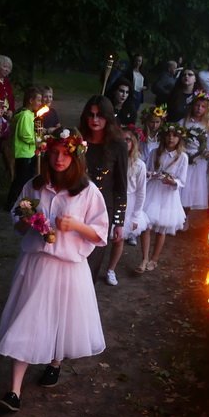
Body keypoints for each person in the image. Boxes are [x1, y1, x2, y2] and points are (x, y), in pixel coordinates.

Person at [0, 128, 108, 412]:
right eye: (54, 152)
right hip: (37, 264)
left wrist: (77, 226)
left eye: (65, 154)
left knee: (61, 319)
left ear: (75, 156)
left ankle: (55, 362)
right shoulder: (34, 185)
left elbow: (100, 233)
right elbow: (17, 222)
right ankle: (14, 390)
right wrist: (28, 221)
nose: (58, 158)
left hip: (69, 268)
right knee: (27, 319)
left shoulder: (87, 191)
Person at [79, 96, 128, 284]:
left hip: (101, 211)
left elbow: (121, 186)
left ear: (108, 117)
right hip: (75, 207)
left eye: (100, 115)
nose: (95, 120)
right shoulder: (78, 141)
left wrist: (119, 221)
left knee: (91, 262)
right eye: (91, 115)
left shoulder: (118, 145)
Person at [137, 122, 188, 272]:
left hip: (168, 195)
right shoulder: (155, 152)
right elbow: (148, 170)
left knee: (162, 228)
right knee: (146, 224)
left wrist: (173, 182)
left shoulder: (182, 157)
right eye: (168, 135)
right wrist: (151, 174)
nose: (171, 138)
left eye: (175, 136)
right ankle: (144, 258)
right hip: (153, 190)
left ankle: (154, 258)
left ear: (179, 139)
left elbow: (182, 180)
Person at [5, 87, 44, 209]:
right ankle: (11, 203)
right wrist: (37, 141)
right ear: (31, 100)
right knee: (20, 180)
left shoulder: (30, 115)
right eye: (38, 100)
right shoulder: (26, 115)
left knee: (25, 179)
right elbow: (25, 135)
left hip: (29, 152)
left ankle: (20, 201)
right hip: (24, 153)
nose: (40, 103)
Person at [179, 92, 209, 226]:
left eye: (203, 106)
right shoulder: (184, 122)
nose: (199, 108)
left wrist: (208, 156)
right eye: (197, 105)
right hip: (184, 157)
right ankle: (176, 214)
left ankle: (184, 217)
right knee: (180, 188)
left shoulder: (208, 127)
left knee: (190, 191)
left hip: (198, 161)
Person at [114, 128, 147, 250]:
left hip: (128, 202)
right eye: (121, 140)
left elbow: (141, 191)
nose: (124, 143)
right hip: (112, 198)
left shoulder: (139, 165)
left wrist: (136, 216)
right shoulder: (112, 160)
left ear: (133, 142)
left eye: (127, 140)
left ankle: (111, 268)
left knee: (119, 237)